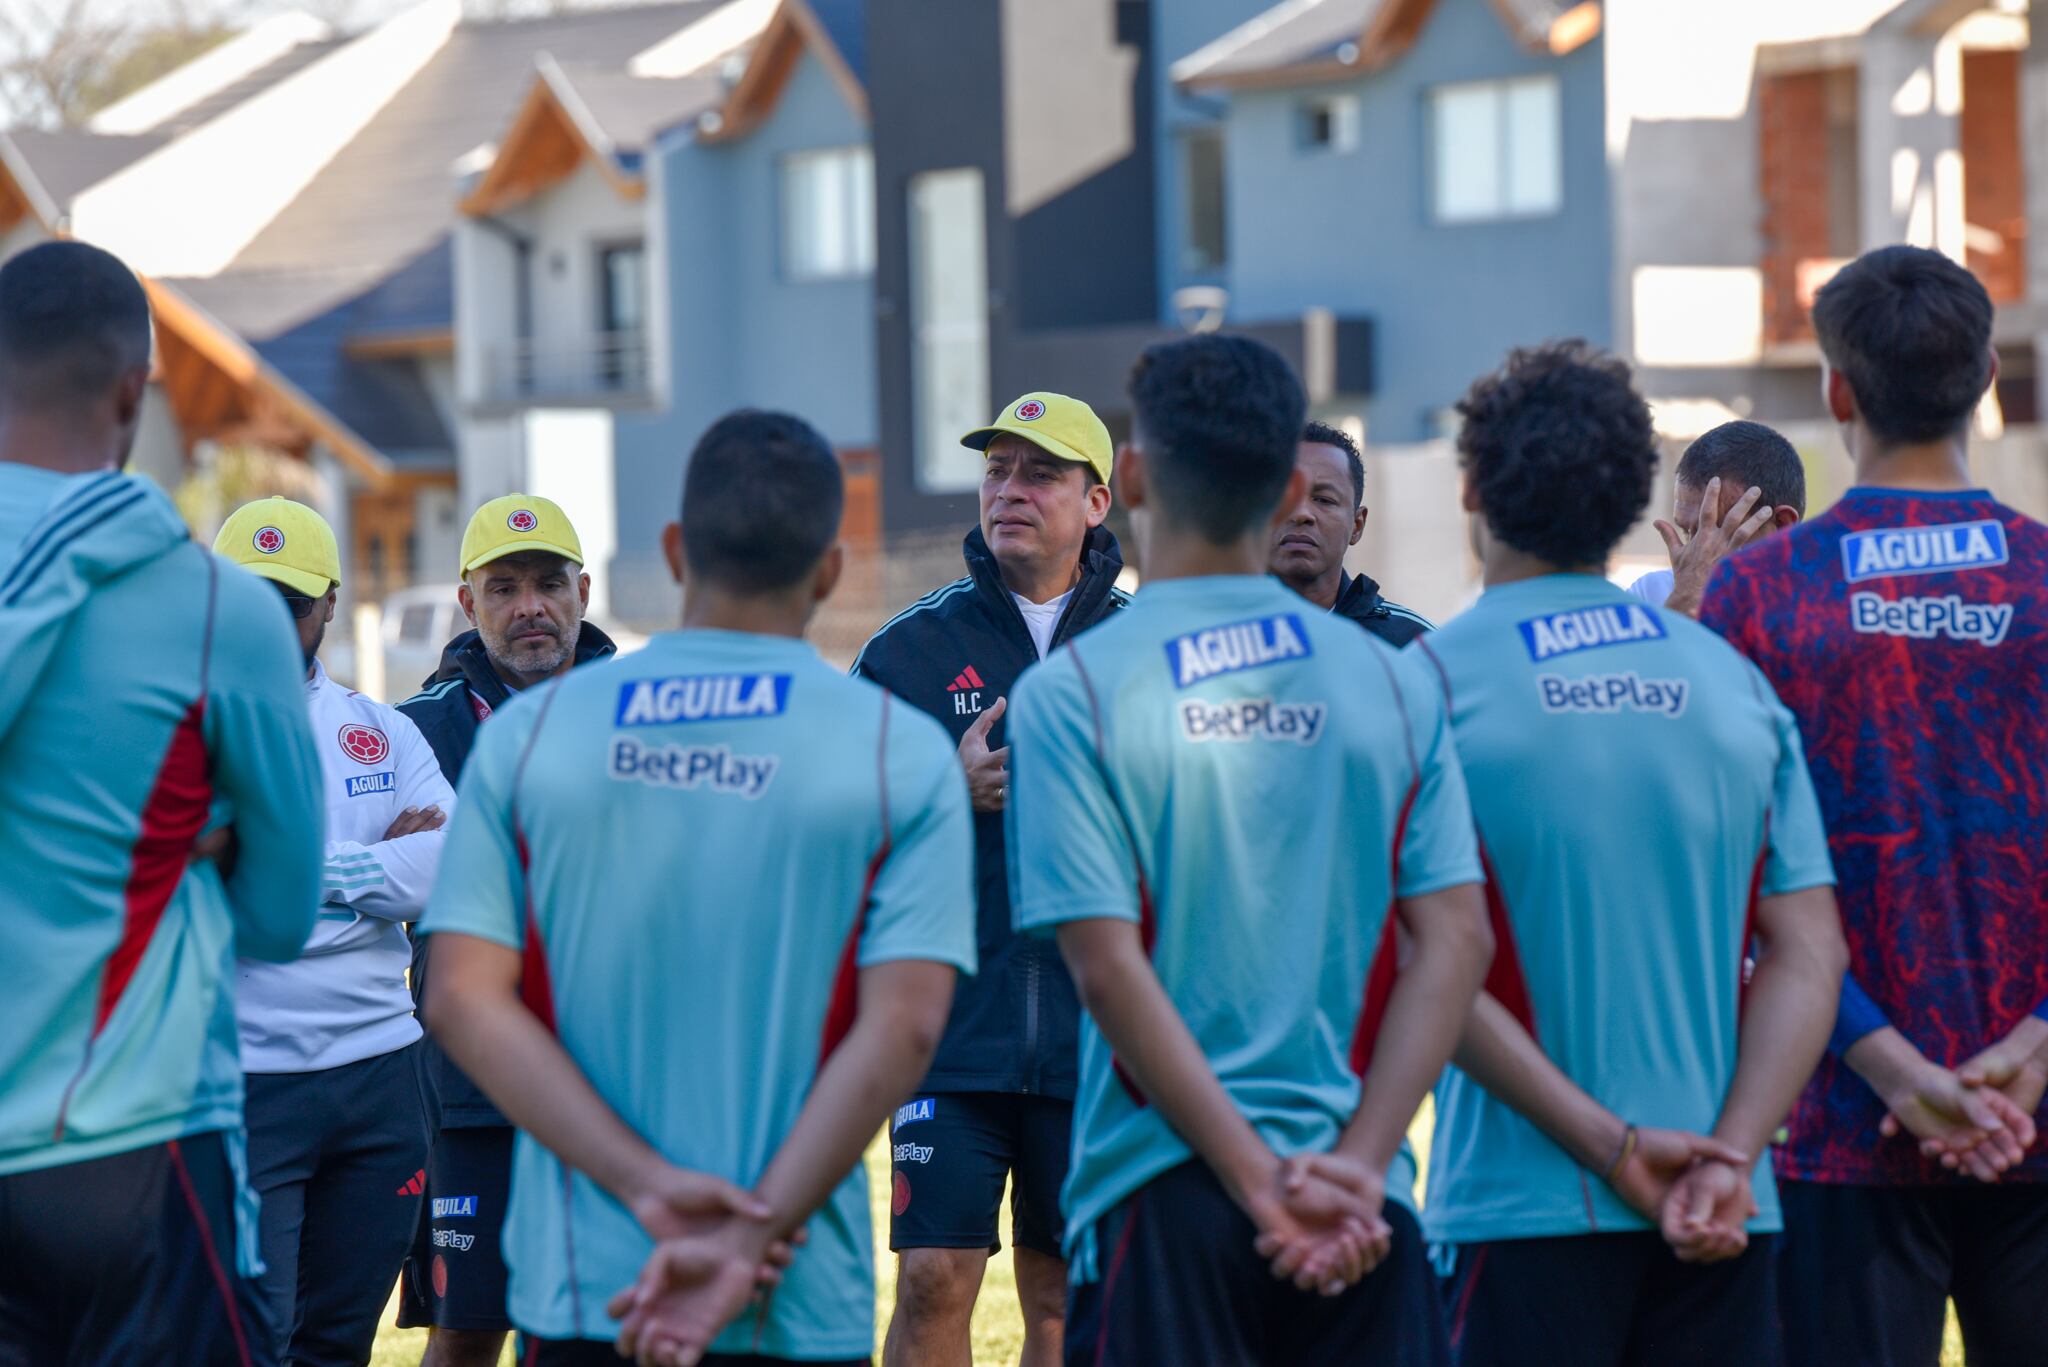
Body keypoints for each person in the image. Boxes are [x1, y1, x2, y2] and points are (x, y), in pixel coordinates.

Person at [420, 410, 976, 1366]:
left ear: (676, 551)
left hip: (594, 1277)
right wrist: (753, 1231)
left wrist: (645, 1187)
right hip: (795, 1281)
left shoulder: (529, 738)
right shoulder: (897, 748)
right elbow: (906, 1029)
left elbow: (460, 999)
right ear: (830, 569)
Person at [1007, 335, 1495, 1367]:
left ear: (1134, 475)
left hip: (1161, 1188)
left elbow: (1105, 968)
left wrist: (1255, 1181)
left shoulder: (1071, 691)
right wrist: (1359, 1166)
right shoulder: (1395, 680)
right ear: (1287, 488)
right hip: (1359, 1193)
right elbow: (1455, 943)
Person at [1413, 342, 1848, 1366]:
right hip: (1723, 1201)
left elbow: (1425, 956)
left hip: (1518, 1206)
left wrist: (1611, 1150)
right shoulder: (1733, 684)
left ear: (1470, 486)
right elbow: (1810, 952)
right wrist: (1729, 1153)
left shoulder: (1423, 683)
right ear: (1631, 499)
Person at [1699, 245, 2048, 1367]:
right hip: (2031, 1108)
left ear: (1836, 390)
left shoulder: (1757, 592)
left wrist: (1889, 1064)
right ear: (1986, 376)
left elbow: (1731, 870)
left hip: (1840, 1114)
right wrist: (2032, 1046)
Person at [0, 240, 324, 1364]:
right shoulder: (216, 604)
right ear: (133, 391)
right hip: (141, 1140)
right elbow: (280, 917)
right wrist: (197, 846)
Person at [853, 391, 1126, 1367]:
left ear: (1096, 501)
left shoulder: (1140, 650)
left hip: (1100, 1035)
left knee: (1060, 1291)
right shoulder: (905, 651)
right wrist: (946, 790)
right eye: (997, 469)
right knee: (933, 1275)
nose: (1009, 489)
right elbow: (840, 827)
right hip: (950, 1030)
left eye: (1040, 472)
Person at [213, 497, 453, 1366]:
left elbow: (450, 865)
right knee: (251, 1338)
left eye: (288, 604)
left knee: (340, 1343)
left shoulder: (381, 730)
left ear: (329, 605)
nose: (267, 625)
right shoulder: (181, 728)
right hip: (244, 1074)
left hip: (380, 1073)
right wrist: (377, 866)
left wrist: (292, 871)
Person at [396, 494, 617, 1367]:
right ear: (468, 603)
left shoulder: (637, 716)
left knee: (602, 1325)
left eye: (549, 583)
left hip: (612, 1080)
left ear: (583, 591)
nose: (531, 606)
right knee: (467, 1332)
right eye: (505, 587)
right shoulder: (412, 734)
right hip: (470, 1087)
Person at [1269, 420, 1433, 643]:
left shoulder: (1414, 643)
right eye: (1283, 497)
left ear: (1357, 525)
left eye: (1323, 499)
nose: (1301, 514)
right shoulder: (1221, 633)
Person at [1629, 420, 1805, 615]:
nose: (1698, 552)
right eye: (1686, 532)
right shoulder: (1651, 596)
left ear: (1782, 525)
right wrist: (1684, 602)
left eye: (1719, 534)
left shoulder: (1820, 608)